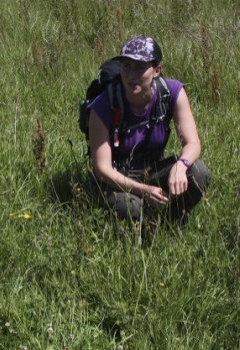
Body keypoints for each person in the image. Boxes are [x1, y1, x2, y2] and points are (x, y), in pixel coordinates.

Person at [87, 35, 210, 224]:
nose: (131, 75)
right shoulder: (103, 106)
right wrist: (144, 191)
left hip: (154, 170)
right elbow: (102, 169)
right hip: (117, 177)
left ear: (157, 70)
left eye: (140, 68)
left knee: (198, 172)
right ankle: (140, 228)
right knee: (130, 208)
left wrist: (180, 165)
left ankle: (172, 221)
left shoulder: (171, 93)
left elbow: (192, 143)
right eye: (126, 66)